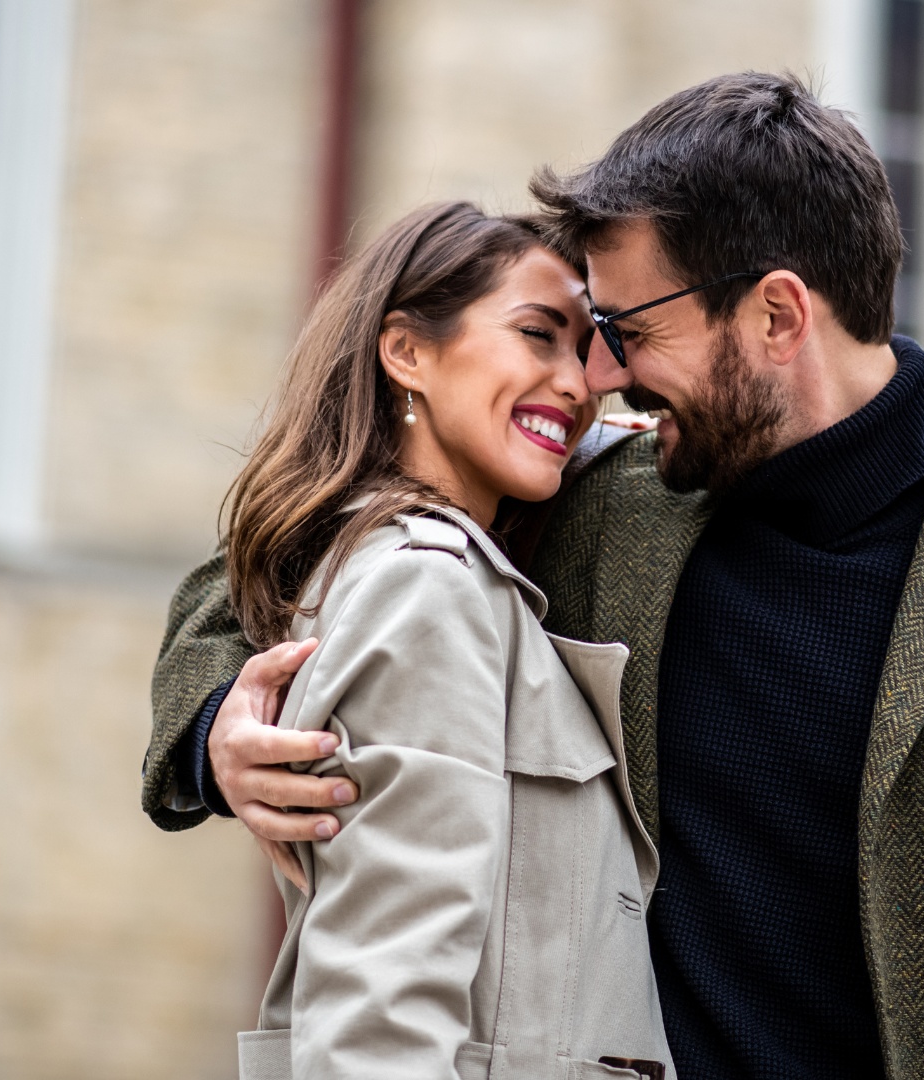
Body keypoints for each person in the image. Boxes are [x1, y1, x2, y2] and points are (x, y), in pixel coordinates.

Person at [147, 74, 924, 1080]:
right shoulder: (588, 500)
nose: (604, 378)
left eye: (626, 330)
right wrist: (216, 732)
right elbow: (284, 544)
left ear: (777, 314)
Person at [173, 201, 674, 1080]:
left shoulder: (408, 567)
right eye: (537, 335)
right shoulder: (425, 588)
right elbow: (382, 1000)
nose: (580, 382)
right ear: (406, 351)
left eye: (585, 348)